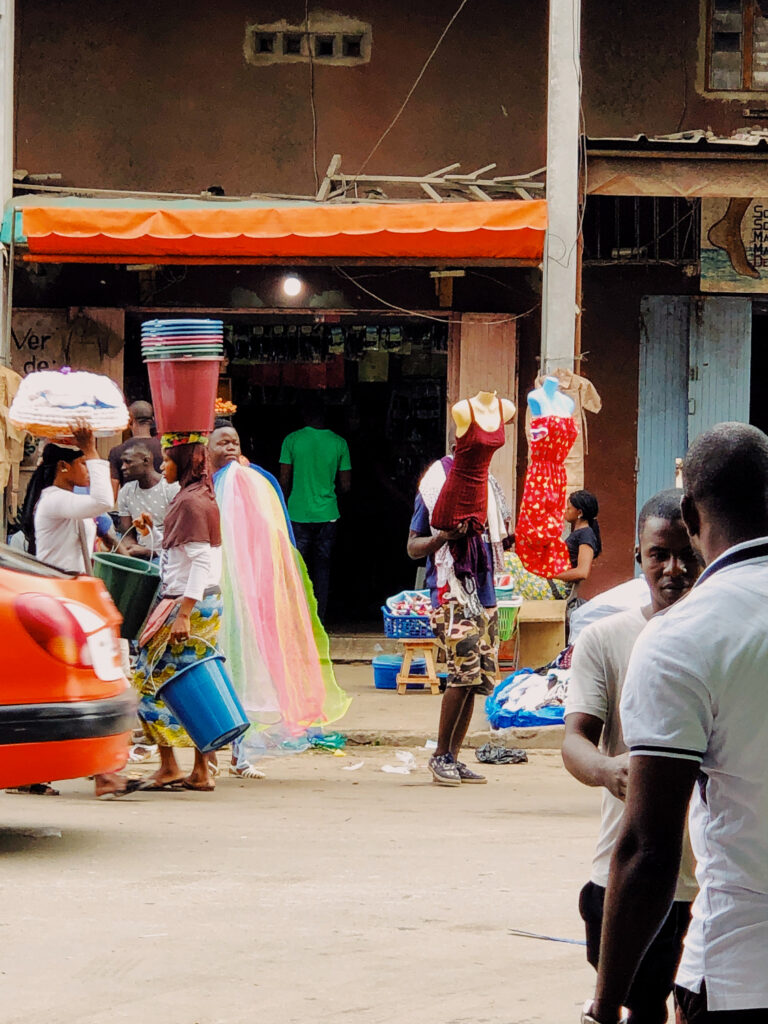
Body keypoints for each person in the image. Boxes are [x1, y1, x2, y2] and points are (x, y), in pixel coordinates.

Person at [586, 423, 768, 1024]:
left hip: (743, 968)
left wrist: (606, 1004)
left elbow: (646, 849)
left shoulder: (682, 637)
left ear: (690, 514)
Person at [563, 488, 700, 1024]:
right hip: (626, 867)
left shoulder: (723, 636)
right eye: (657, 555)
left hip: (709, 878)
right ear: (636, 559)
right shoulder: (606, 639)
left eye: (687, 554)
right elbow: (575, 739)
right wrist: (607, 769)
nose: (673, 569)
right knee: (638, 1006)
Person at [209, 421, 349, 777]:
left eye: (235, 441)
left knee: (244, 670)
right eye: (222, 441)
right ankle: (208, 757)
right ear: (205, 449)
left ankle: (239, 755)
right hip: (212, 590)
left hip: (249, 589)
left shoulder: (252, 481)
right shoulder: (205, 486)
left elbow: (270, 536)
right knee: (217, 671)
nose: (230, 447)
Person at [18, 421, 136, 799]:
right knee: (86, 684)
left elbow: (102, 517)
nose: (88, 469)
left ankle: (105, 770)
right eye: (82, 464)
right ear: (64, 467)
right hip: (60, 601)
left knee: (94, 685)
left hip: (76, 600)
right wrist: (92, 449)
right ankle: (102, 772)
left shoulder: (67, 501)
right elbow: (103, 501)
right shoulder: (54, 499)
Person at [407, 437, 509, 787]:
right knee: (461, 674)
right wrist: (443, 538)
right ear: (459, 446)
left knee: (476, 678)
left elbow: (501, 537)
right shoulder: (437, 486)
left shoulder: (486, 486)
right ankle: (439, 756)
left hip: (483, 592)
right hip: (451, 591)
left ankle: (453, 755)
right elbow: (412, 547)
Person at [132, 433, 223, 792]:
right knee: (192, 685)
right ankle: (199, 769)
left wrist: (183, 613)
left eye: (167, 460)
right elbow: (179, 555)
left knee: (147, 681)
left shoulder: (191, 503)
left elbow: (199, 562)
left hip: (188, 605)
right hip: (192, 601)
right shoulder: (193, 497)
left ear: (183, 463)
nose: (162, 466)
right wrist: (151, 533)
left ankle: (170, 764)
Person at [279, 395, 351, 622]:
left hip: (297, 513)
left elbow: (283, 481)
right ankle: (320, 618)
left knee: (297, 567)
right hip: (327, 513)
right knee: (323, 567)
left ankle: (297, 617)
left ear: (304, 415)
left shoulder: (291, 440)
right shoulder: (339, 442)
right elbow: (346, 485)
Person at [117, 442, 179, 558]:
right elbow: (127, 534)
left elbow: (178, 537)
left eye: (128, 462)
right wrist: (131, 550)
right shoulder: (126, 491)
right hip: (139, 554)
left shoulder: (170, 488)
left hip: (167, 556)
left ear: (146, 461)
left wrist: (150, 552)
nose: (123, 467)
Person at [108, 400, 163, 500]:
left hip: (131, 513)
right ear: (153, 420)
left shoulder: (117, 452)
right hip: (161, 511)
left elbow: (111, 496)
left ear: (130, 420)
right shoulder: (164, 450)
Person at [557, 489, 602, 587]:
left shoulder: (586, 534)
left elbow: (582, 572)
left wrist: (553, 575)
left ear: (579, 512)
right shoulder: (579, 533)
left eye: (568, 508)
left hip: (560, 587)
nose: (565, 511)